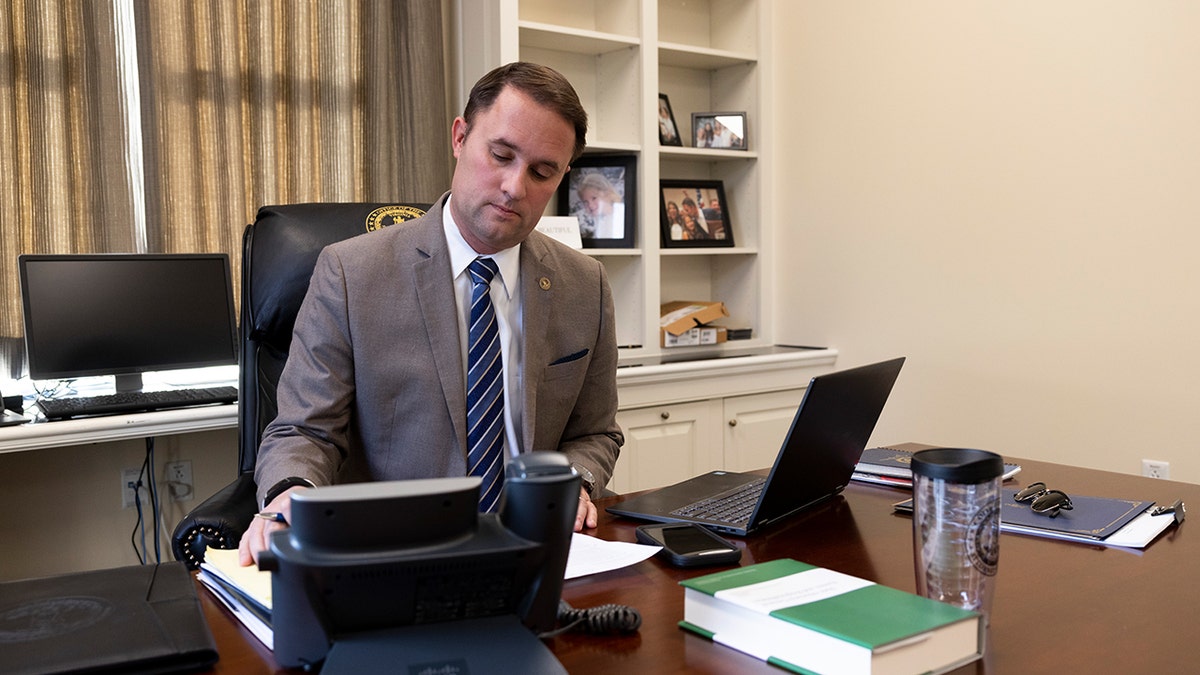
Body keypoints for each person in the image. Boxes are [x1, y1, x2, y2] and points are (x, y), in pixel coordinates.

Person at [239, 62, 624, 565]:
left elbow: (595, 433)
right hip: (398, 551)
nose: (514, 186)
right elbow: (304, 430)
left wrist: (575, 481)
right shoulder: (351, 273)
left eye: (541, 171)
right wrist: (291, 492)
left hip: (539, 550)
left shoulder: (585, 285)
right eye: (501, 154)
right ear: (461, 137)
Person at [574, 170, 624, 239]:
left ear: (607, 193)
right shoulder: (597, 222)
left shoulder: (621, 216)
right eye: (585, 202)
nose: (590, 205)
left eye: (594, 198)